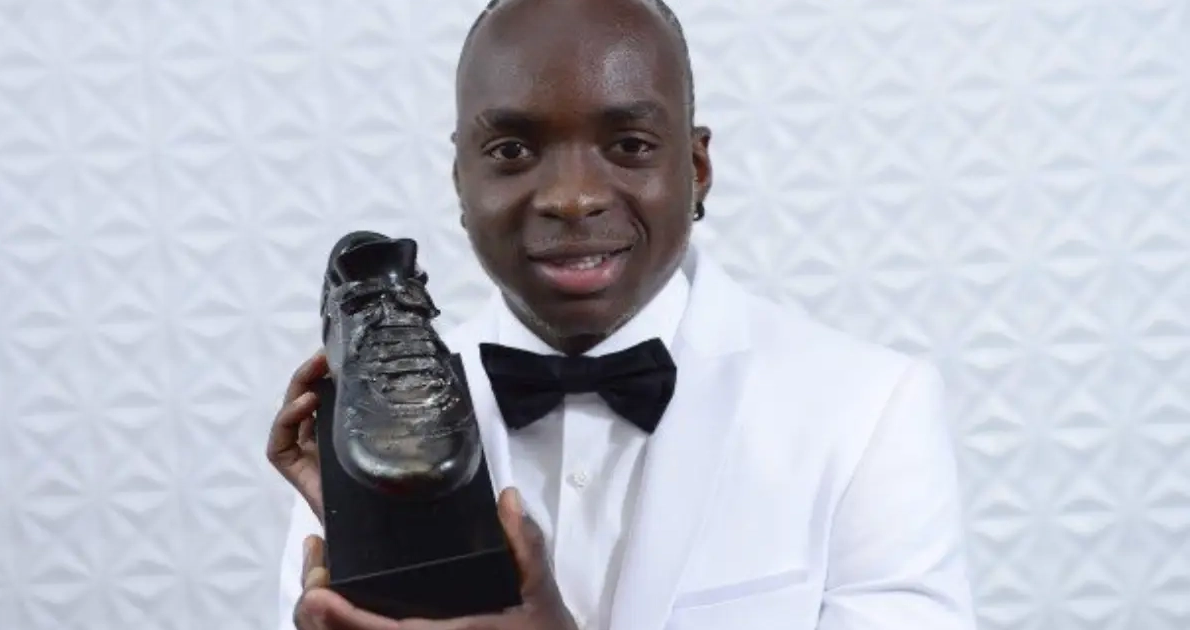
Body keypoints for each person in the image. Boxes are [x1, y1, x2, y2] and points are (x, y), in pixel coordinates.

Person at [266, 0, 978, 628]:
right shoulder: (369, 430)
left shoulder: (870, 410)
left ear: (696, 168)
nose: (572, 198)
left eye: (630, 145)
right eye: (512, 150)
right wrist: (380, 541)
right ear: (461, 178)